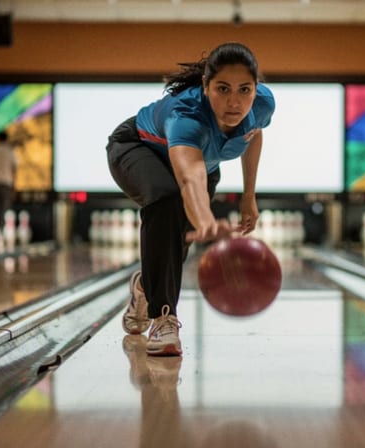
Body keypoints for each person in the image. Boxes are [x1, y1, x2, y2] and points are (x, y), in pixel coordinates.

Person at [107, 42, 275, 356]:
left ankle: (145, 286)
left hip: (202, 167)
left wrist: (248, 195)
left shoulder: (262, 105)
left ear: (256, 89)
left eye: (244, 90)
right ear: (205, 85)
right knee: (167, 201)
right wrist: (205, 221)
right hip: (137, 149)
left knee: (178, 242)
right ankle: (163, 319)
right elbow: (188, 179)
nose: (234, 102)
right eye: (222, 89)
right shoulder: (185, 114)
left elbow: (254, 134)